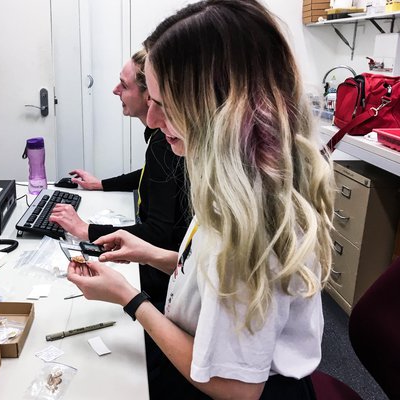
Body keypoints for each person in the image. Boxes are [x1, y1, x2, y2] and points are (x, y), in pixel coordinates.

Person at [66, 1, 335, 399]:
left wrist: (130, 298)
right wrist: (155, 255)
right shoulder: (236, 180)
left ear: (215, 107)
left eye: (163, 104)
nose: (153, 121)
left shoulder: (254, 216)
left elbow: (235, 388)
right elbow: (221, 279)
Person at [50, 49, 191, 399]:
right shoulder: (163, 143)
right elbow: (150, 177)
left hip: (167, 296)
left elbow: (159, 233)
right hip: (174, 275)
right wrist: (102, 185)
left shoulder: (164, 143)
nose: (115, 90)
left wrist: (87, 232)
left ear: (150, 96)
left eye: (123, 84)